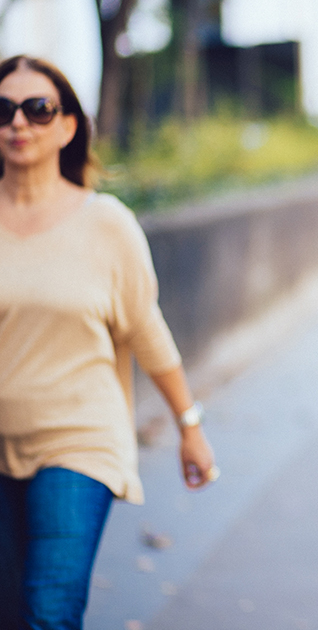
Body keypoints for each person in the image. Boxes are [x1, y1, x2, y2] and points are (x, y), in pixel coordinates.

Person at [0, 55, 219, 629]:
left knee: (49, 608)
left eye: (38, 109)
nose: (18, 123)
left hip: (79, 441)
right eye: (4, 110)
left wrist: (188, 426)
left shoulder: (106, 224)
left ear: (68, 125)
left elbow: (146, 329)